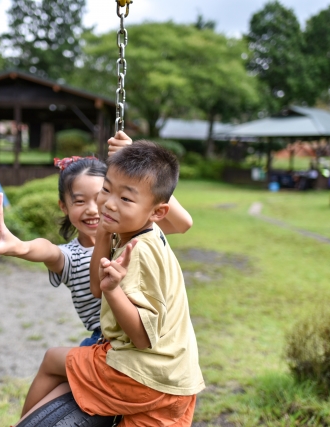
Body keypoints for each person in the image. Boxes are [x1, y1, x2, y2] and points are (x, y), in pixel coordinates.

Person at [15, 140, 204, 426]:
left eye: (125, 199)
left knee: (53, 359)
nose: (107, 203)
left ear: (157, 212)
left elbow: (141, 337)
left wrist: (114, 290)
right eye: (106, 189)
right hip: (176, 377)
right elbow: (95, 287)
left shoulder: (138, 251)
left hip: (139, 374)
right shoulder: (138, 229)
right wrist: (104, 231)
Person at [0, 132, 193, 347]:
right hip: (104, 339)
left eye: (103, 195)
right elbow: (48, 250)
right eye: (79, 201)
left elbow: (182, 223)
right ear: (64, 207)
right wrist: (20, 246)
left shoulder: (131, 233)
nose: (94, 209)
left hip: (141, 339)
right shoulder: (71, 256)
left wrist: (143, 176)